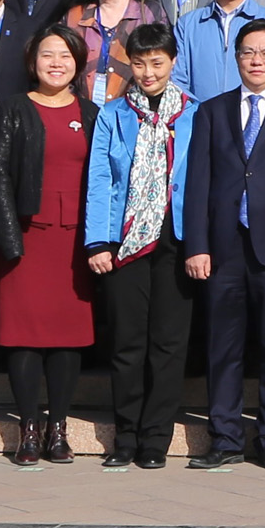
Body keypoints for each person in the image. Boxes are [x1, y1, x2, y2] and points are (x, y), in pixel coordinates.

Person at [181, 19, 265, 470]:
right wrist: (197, 244)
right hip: (223, 245)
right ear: (236, 58)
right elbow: (197, 184)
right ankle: (225, 437)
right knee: (223, 344)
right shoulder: (211, 112)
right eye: (248, 52)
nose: (256, 61)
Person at [80, 24, 199, 468]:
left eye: (157, 63)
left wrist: (199, 244)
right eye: (140, 63)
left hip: (175, 238)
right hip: (124, 241)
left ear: (172, 62)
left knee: (168, 343)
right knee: (128, 342)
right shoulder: (112, 113)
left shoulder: (193, 112)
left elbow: (201, 183)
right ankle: (126, 435)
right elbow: (100, 179)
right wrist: (98, 241)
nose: (148, 72)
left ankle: (156, 438)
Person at [0, 29, 99, 466]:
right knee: (24, 336)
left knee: (69, 338)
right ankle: (28, 428)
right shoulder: (13, 108)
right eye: (47, 54)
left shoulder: (91, 112)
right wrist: (9, 239)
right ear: (33, 61)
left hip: (74, 241)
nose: (56, 62)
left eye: (65, 55)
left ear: (78, 62)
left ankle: (59, 429)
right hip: (25, 238)